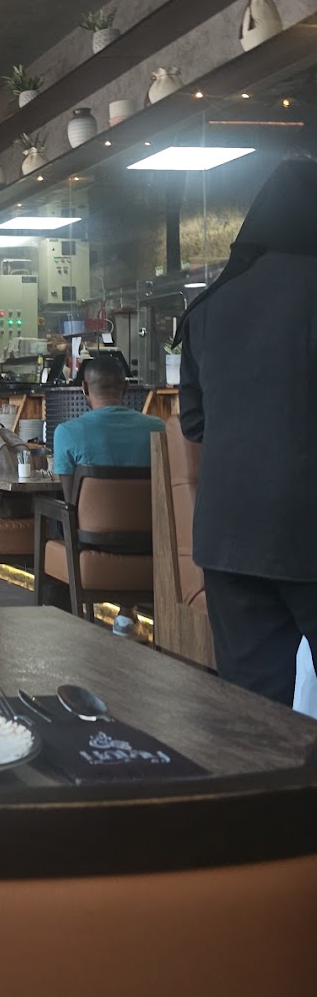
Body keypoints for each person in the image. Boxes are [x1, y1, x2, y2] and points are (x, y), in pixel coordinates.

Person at [180, 158, 317, 704]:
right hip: (308, 526)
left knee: (252, 708)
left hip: (229, 537)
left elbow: (195, 424)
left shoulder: (210, 305)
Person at [50, 354, 165, 635]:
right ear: (126, 388)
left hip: (91, 541)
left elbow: (70, 500)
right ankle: (126, 614)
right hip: (151, 540)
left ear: (84, 390)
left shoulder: (67, 432)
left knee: (54, 517)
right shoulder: (158, 428)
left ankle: (62, 627)